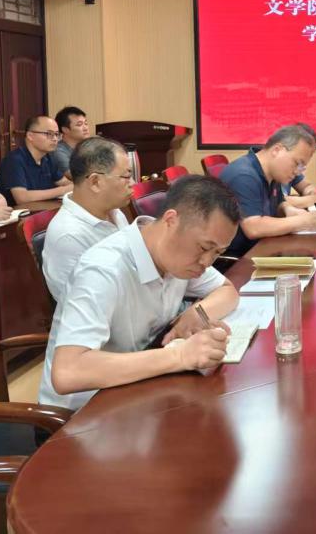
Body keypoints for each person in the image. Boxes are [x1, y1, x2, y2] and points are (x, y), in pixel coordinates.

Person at [41, 175, 241, 411]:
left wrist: (197, 312)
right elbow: (68, 372)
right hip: (83, 412)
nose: (207, 262)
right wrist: (179, 356)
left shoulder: (176, 255)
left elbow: (227, 291)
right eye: (205, 247)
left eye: (217, 252)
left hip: (139, 387)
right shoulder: (103, 269)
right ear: (171, 220)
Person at [42, 137, 133, 305]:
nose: (132, 183)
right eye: (126, 176)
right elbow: (83, 306)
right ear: (95, 182)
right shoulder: (68, 236)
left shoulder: (114, 211)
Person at [220, 124, 316, 255]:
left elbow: (278, 203)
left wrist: (289, 210)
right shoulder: (243, 175)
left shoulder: (273, 173)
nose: (297, 172)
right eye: (297, 163)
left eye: (302, 167)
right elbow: (253, 227)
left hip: (263, 248)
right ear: (277, 150)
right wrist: (303, 221)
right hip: (240, 259)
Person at [0, 115, 73, 205]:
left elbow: (64, 182)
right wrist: (62, 190)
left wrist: (72, 186)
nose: (55, 139)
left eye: (57, 134)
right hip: (18, 212)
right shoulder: (14, 160)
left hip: (42, 208)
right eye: (49, 134)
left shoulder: (48, 157)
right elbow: (22, 197)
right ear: (30, 136)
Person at [51, 106, 91, 178]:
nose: (86, 128)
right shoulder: (58, 151)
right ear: (65, 130)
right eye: (79, 124)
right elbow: (74, 177)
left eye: (86, 123)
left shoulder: (88, 146)